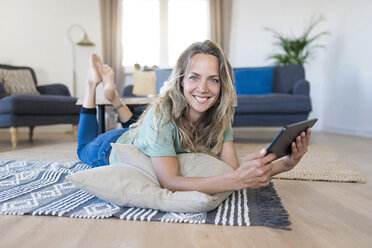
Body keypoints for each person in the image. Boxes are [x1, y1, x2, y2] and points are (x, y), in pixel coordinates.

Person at [77, 40, 312, 195]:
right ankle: (92, 85)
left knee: (139, 126)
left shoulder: (221, 117)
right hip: (110, 147)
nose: (203, 88)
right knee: (83, 148)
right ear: (180, 79)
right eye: (194, 77)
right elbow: (170, 181)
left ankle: (115, 98)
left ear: (222, 85)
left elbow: (233, 174)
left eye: (213, 79)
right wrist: (237, 180)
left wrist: (285, 164)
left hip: (144, 135)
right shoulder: (162, 115)